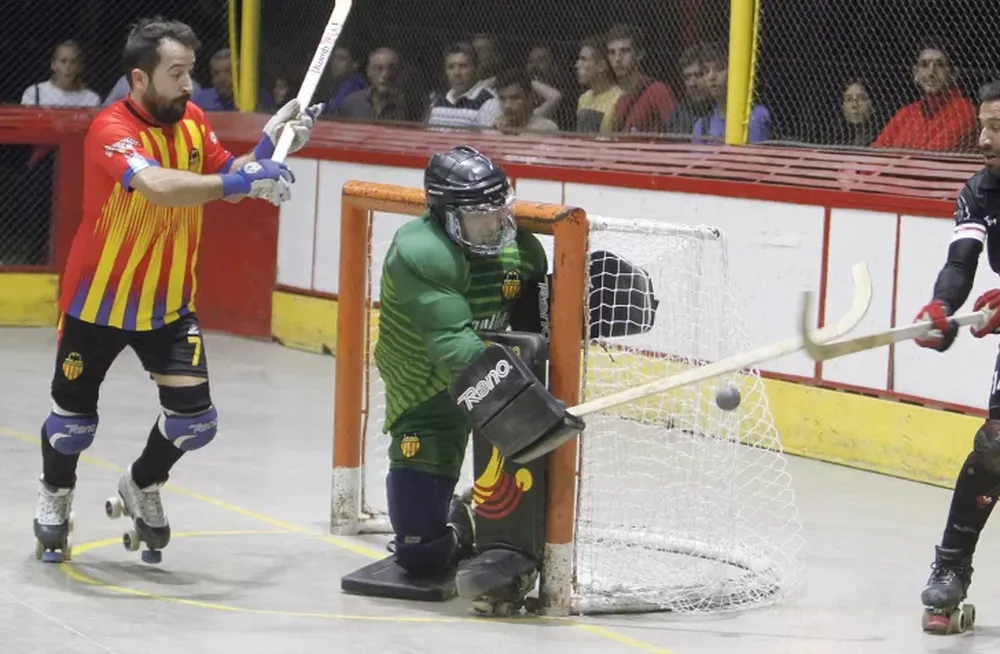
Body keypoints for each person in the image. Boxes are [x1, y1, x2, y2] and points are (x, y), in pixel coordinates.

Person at [32, 17, 322, 564]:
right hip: (97, 301)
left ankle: (142, 482)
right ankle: (55, 494)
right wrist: (242, 180)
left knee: (196, 422)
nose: (190, 85)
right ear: (140, 79)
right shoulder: (111, 128)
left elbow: (228, 178)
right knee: (72, 426)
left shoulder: (191, 119)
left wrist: (273, 144)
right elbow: (160, 186)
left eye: (191, 71)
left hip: (168, 304)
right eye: (177, 73)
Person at [339, 146, 658, 615]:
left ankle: (505, 541)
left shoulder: (520, 249)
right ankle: (462, 519)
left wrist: (574, 310)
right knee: (419, 554)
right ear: (446, 216)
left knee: (522, 485)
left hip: (498, 378)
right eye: (479, 216)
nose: (496, 224)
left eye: (499, 209)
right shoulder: (418, 252)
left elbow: (532, 319)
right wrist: (525, 411)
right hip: (429, 394)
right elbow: (453, 347)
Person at [913, 80, 1000, 633]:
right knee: (996, 447)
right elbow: (962, 263)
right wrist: (942, 308)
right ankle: (950, 569)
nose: (983, 139)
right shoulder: (979, 190)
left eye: (997, 129)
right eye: (984, 125)